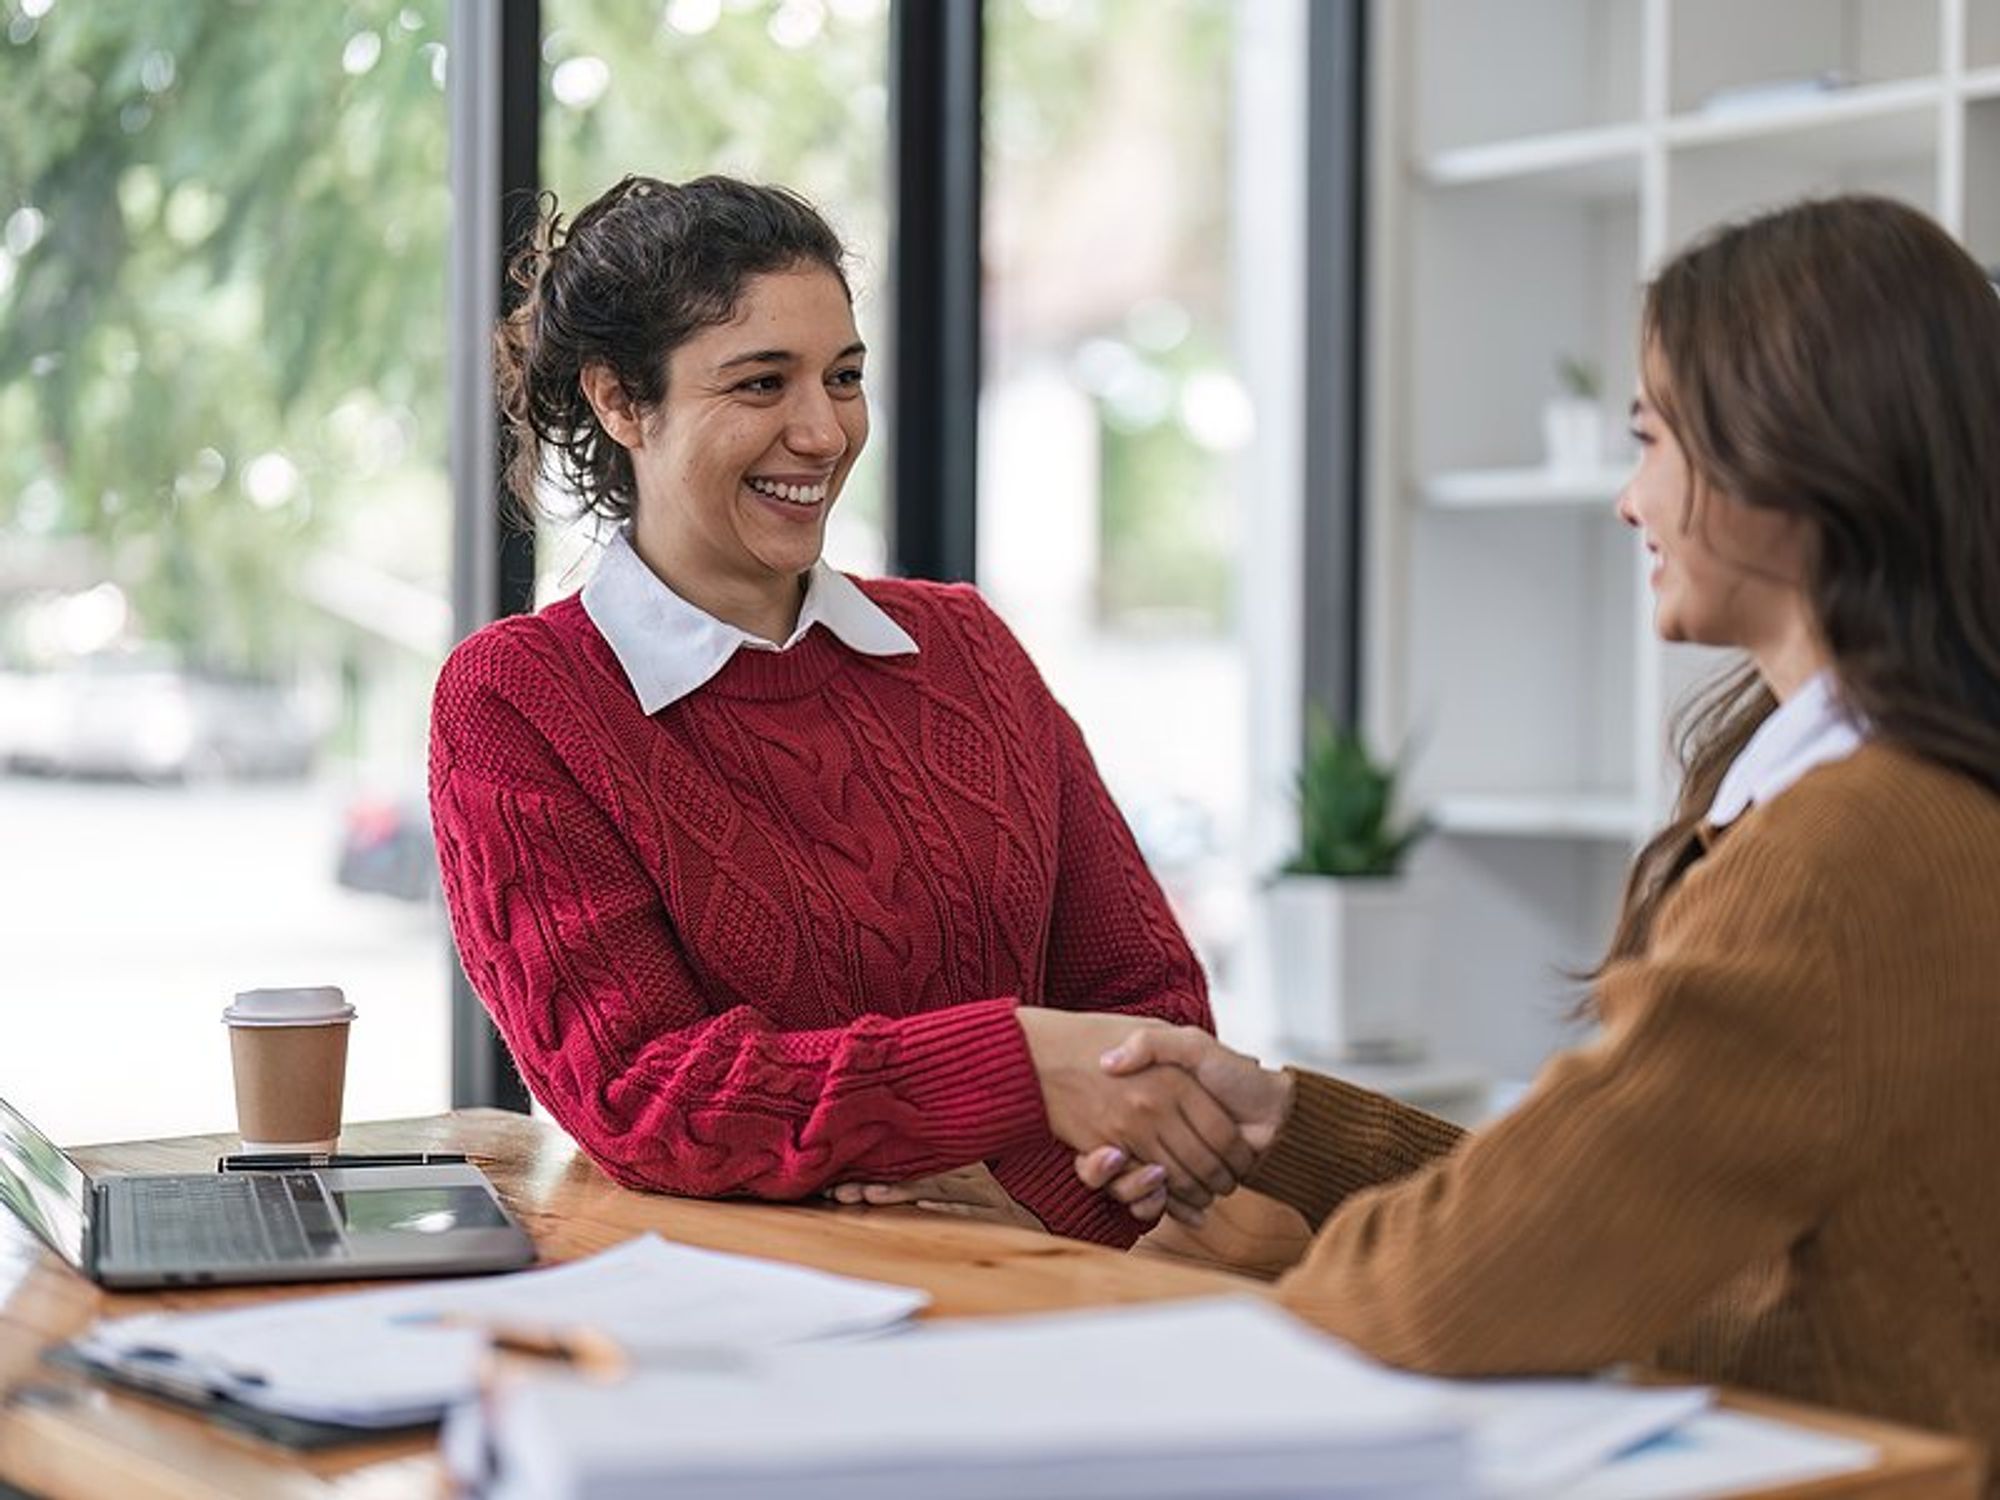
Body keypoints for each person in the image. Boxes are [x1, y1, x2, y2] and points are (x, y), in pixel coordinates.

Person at [1067, 195, 2000, 1451]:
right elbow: (1623, 1206)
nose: (1628, 501)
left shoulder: (1841, 855)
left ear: (1789, 456)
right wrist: (1287, 1134)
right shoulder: (1913, 801)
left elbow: (1466, 1287)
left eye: (1649, 439)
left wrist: (1264, 1304)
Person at [427, 174, 1251, 1247]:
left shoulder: (964, 647)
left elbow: (1150, 1008)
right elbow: (649, 1096)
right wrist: (1017, 1073)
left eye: (843, 376)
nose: (822, 432)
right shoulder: (519, 703)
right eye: (761, 384)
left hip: (1057, 1285)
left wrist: (1008, 1187)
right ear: (622, 403)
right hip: (750, 1326)